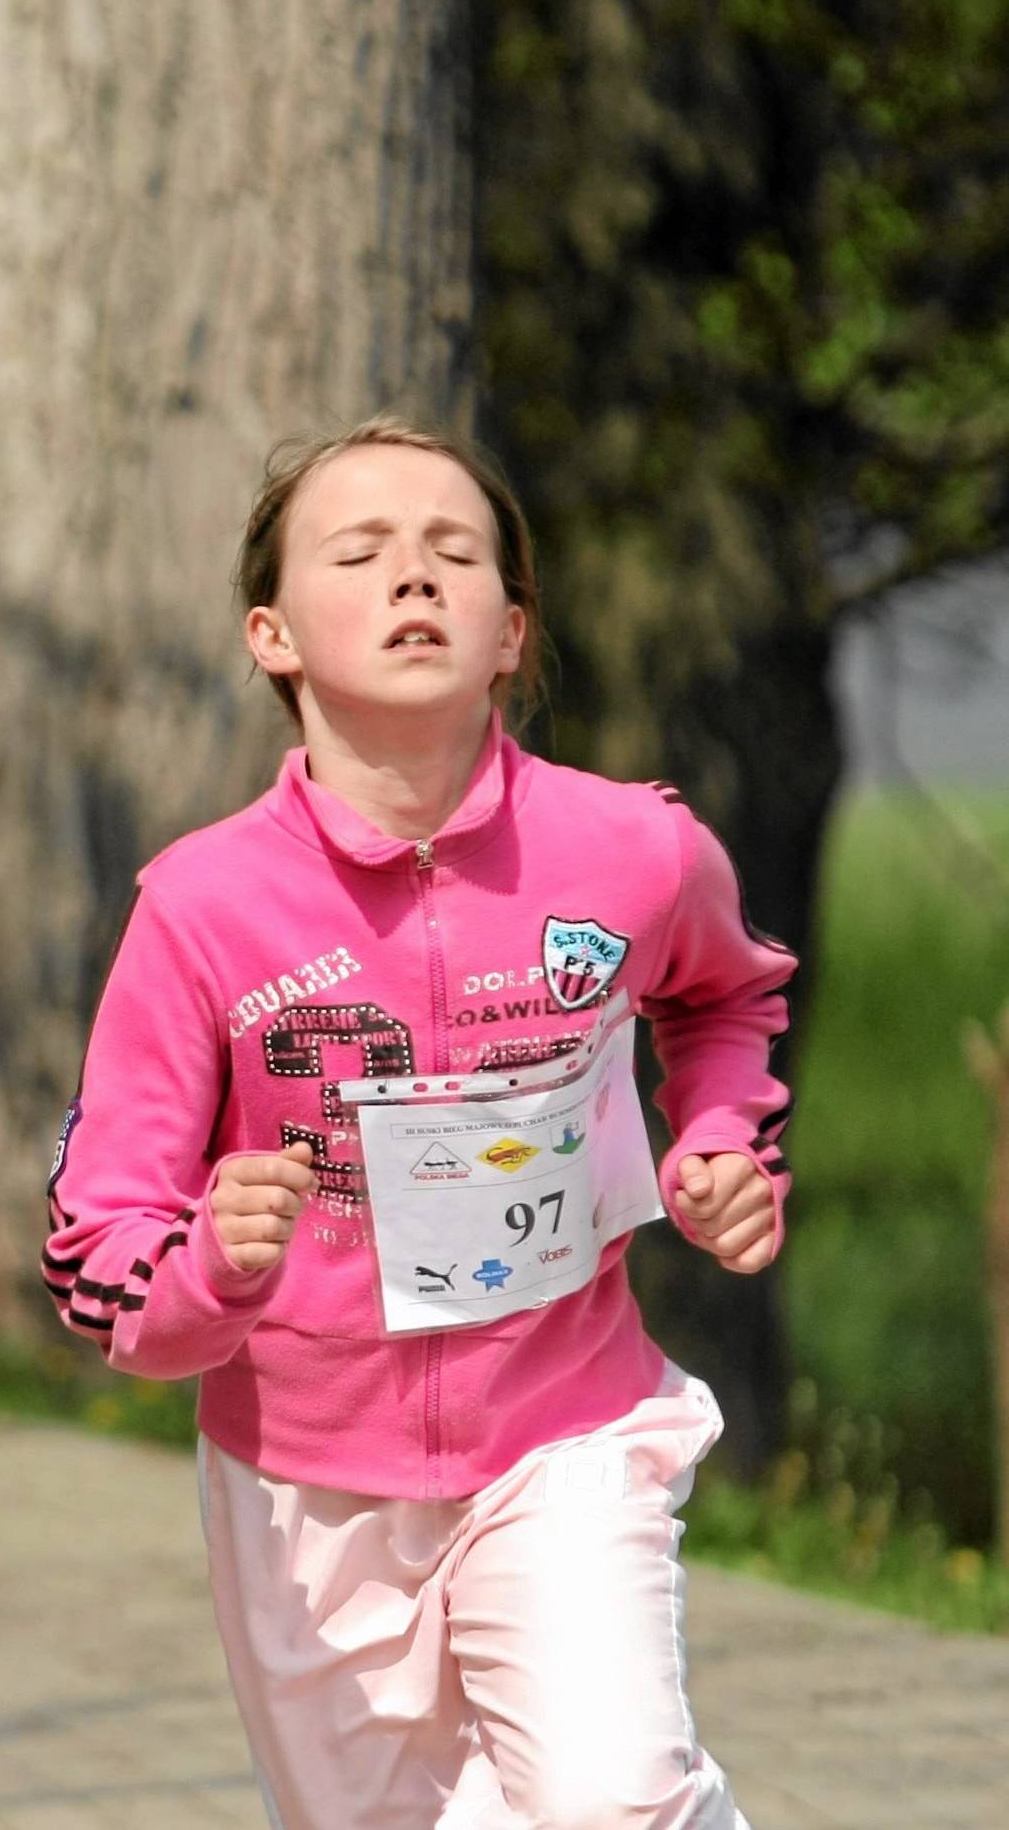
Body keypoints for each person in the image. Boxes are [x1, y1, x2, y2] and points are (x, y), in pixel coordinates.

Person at [45, 417, 790, 1829]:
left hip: (560, 1425)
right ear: (270, 633)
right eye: (361, 552)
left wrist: (720, 1142)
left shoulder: (630, 849)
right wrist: (213, 1261)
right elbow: (102, 1245)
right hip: (301, 1485)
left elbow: (726, 996)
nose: (412, 578)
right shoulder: (198, 909)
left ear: (509, 630)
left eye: (453, 553)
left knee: (613, 1796)